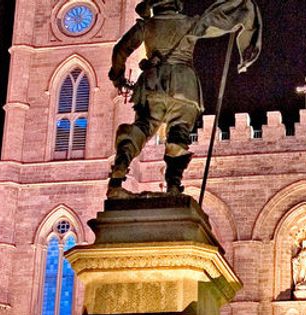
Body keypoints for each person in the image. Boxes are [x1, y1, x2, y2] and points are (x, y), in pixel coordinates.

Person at [107, 0, 261, 197]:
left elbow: (119, 50)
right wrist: (240, 14)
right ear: (177, 4)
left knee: (142, 127)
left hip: (153, 85)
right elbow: (218, 22)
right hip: (184, 88)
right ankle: (173, 185)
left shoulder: (147, 25)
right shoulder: (190, 23)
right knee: (178, 134)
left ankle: (118, 175)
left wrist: (117, 75)